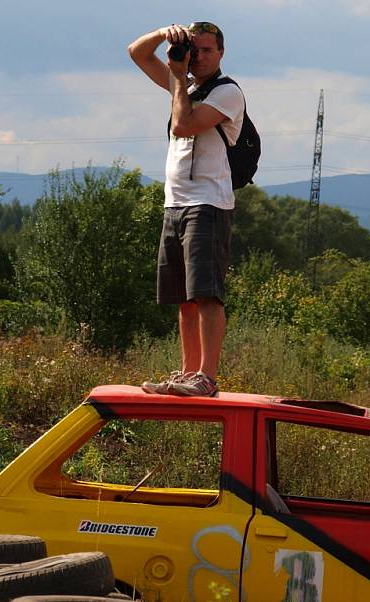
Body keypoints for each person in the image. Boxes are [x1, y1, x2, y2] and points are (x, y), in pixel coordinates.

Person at [128, 22, 245, 397]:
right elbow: (136, 53)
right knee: (184, 297)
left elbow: (183, 125)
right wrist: (165, 33)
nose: (200, 57)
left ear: (221, 53)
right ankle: (187, 372)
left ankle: (206, 377)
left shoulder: (227, 92)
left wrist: (178, 76)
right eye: (195, 50)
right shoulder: (186, 86)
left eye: (208, 50)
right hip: (175, 202)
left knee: (206, 294)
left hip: (208, 203)